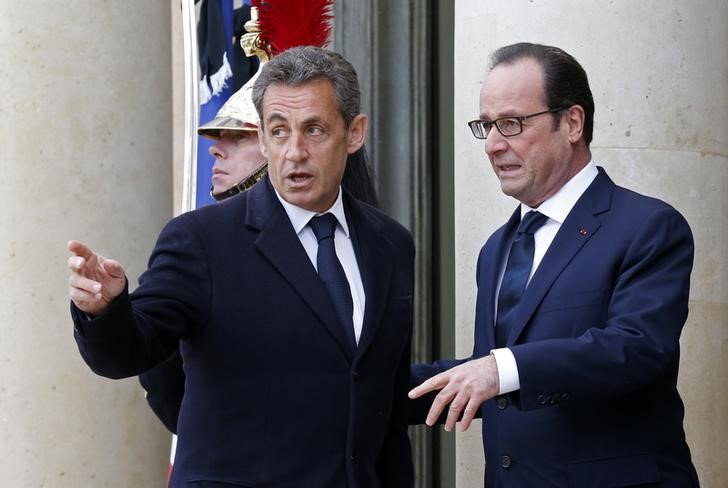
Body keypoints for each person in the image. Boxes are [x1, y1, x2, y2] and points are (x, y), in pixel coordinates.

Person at [68, 46, 414, 488]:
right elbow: (131, 352)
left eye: (314, 129)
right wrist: (105, 311)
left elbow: (384, 404)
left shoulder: (391, 245)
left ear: (354, 133)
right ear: (264, 139)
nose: (295, 152)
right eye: (279, 131)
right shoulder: (200, 240)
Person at [409, 42, 699, 487]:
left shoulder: (648, 226)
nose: (492, 145)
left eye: (511, 123)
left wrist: (498, 368)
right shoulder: (496, 248)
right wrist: (369, 390)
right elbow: (494, 372)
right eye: (486, 126)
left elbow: (636, 350)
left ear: (572, 123)